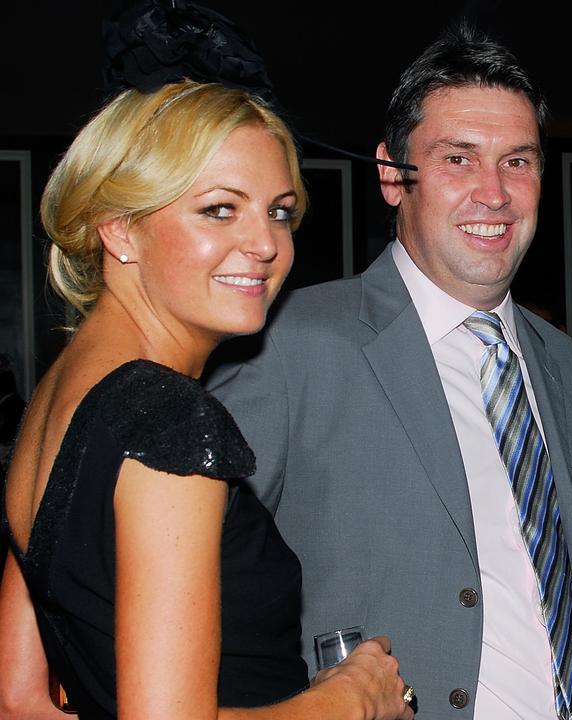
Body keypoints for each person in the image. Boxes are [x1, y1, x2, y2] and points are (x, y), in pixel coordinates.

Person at [205, 25, 572, 720]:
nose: (494, 193)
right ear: (393, 176)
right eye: (458, 159)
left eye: (517, 162)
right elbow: (175, 583)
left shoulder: (565, 364)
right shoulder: (290, 346)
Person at [0, 81, 412, 720]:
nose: (267, 244)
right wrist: (353, 698)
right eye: (220, 209)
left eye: (278, 211)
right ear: (121, 230)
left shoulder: (58, 396)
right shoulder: (167, 419)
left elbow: (19, 702)